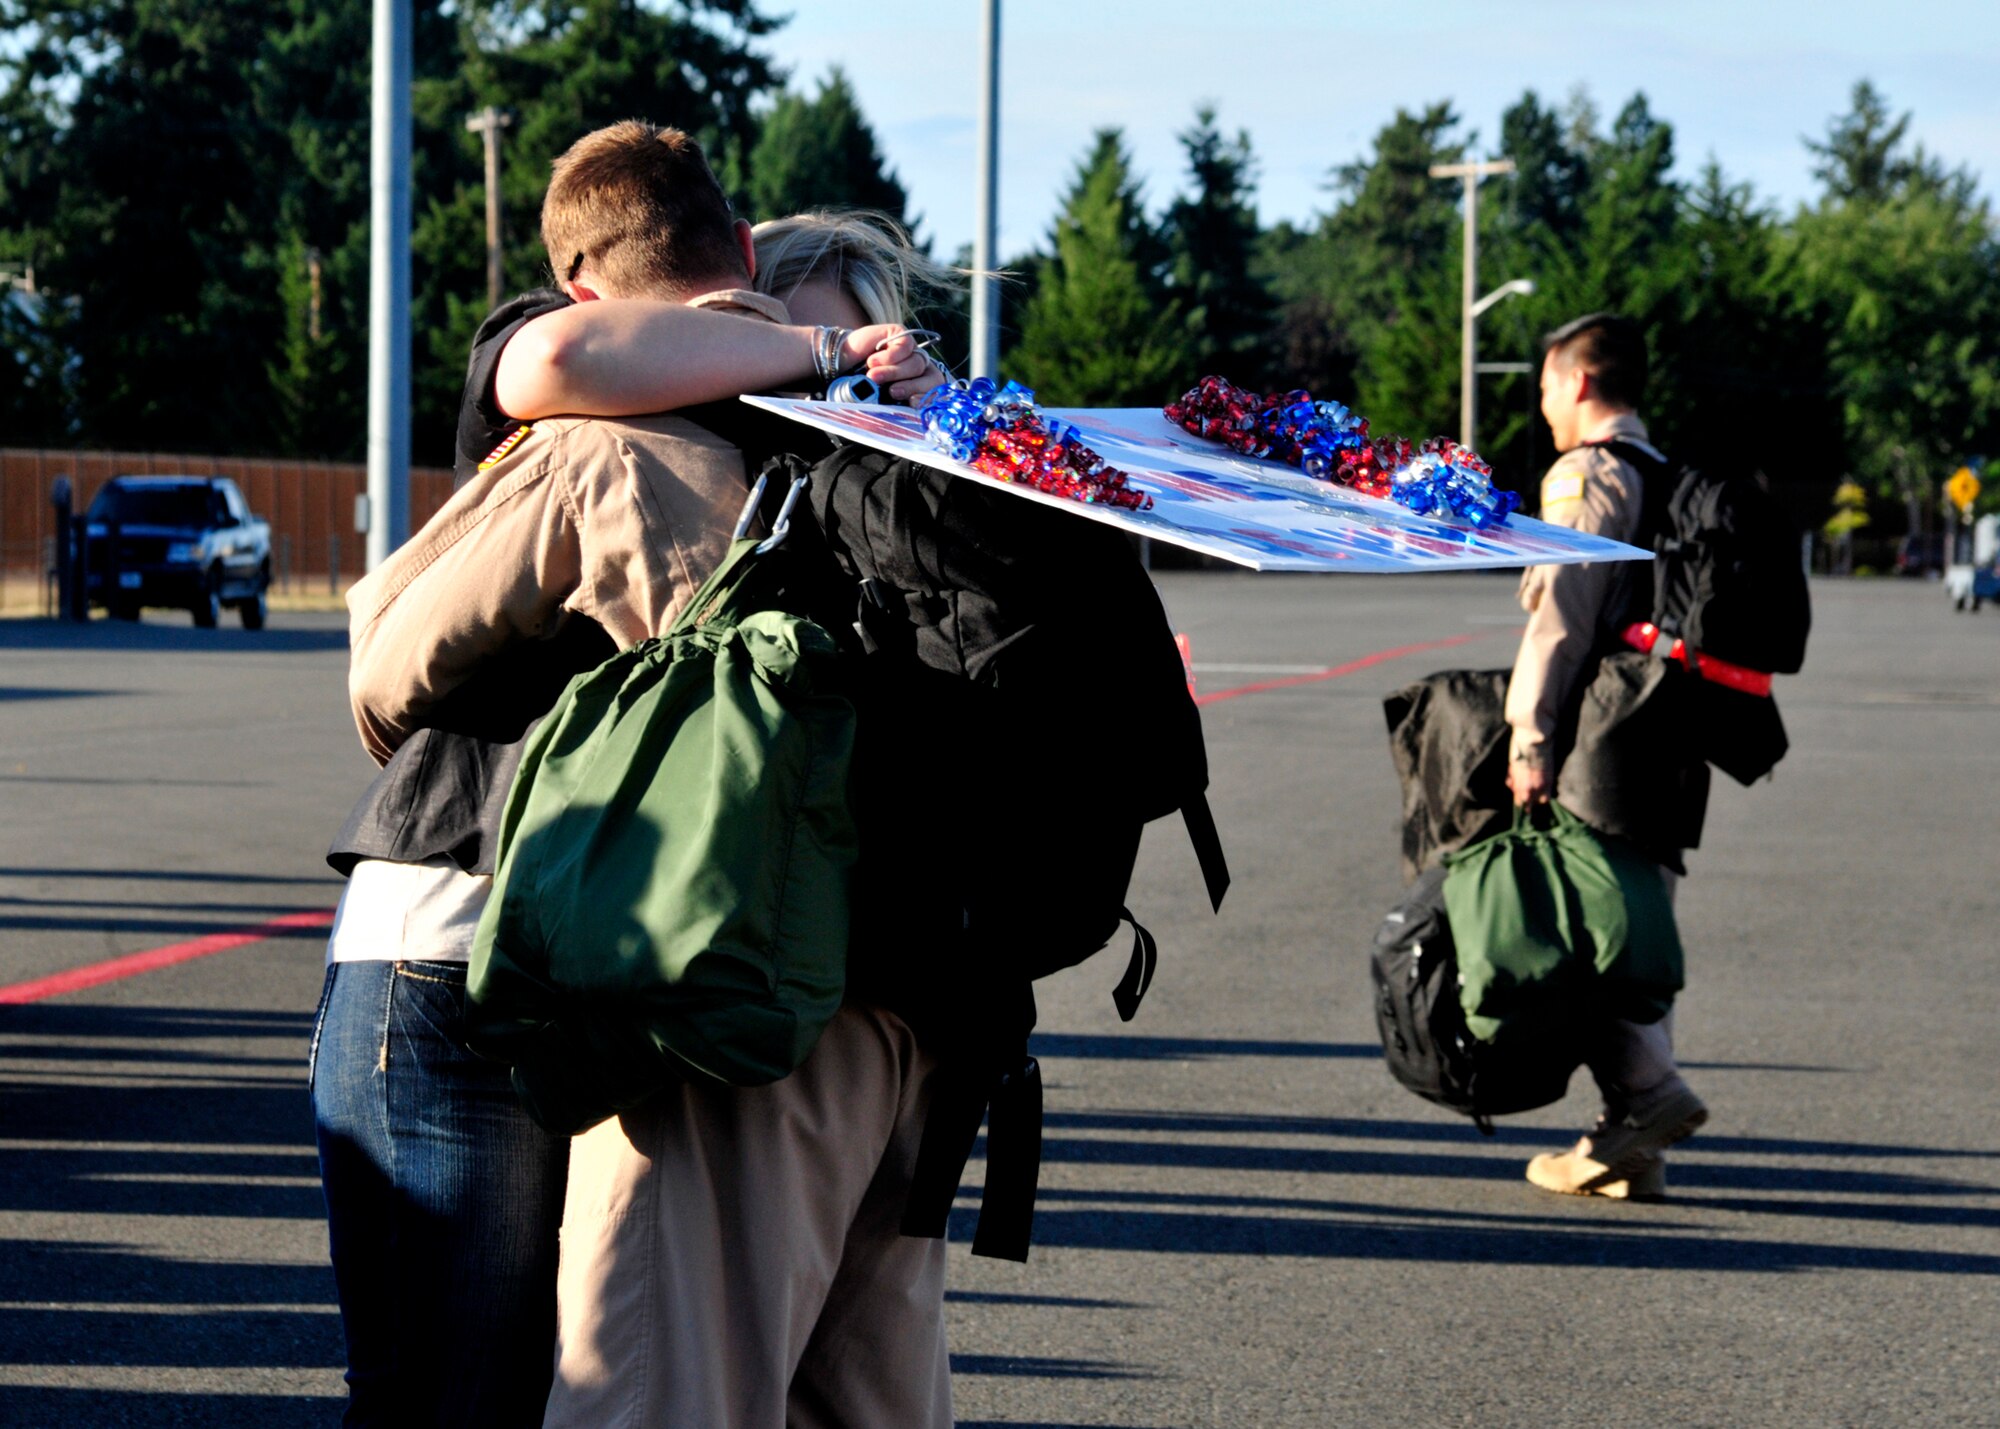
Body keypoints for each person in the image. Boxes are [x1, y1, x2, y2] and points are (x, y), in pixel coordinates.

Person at [313, 123, 949, 1427]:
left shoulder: (780, 450)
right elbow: (390, 651)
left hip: (580, 964)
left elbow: (380, 671)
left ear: (586, 278)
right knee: (469, 1389)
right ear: (748, 258)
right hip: (466, 945)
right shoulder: (595, 406)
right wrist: (828, 355)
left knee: (509, 1385)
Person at [1504, 312, 1708, 1200]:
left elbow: (1561, 617)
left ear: (1579, 382)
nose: (1542, 402)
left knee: (1579, 937)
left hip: (1604, 744)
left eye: (1546, 384)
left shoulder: (1586, 474)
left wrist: (1530, 736)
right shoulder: (1670, 476)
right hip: (1674, 735)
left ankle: (1650, 1097)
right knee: (1637, 933)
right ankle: (1635, 1152)